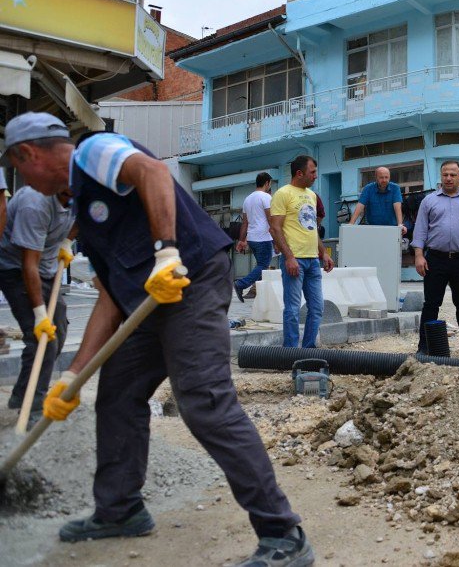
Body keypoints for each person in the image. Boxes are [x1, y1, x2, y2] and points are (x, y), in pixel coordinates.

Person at [1, 112, 312, 565]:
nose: (20, 180)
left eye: (17, 167)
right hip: (147, 300)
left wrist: (167, 250)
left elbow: (151, 171)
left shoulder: (93, 152)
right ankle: (119, 509)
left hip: (191, 278)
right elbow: (109, 296)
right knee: (117, 393)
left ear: (28, 154)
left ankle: (284, 535)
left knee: (203, 399)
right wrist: (71, 375)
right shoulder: (80, 207)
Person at [0, 185, 74, 415]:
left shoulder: (83, 193)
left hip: (48, 267)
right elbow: (28, 264)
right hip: (16, 269)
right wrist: (40, 315)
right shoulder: (35, 203)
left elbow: (82, 219)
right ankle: (33, 407)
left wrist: (67, 242)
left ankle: (21, 394)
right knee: (42, 338)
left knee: (58, 332)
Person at [411, 160, 459, 360]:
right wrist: (419, 255)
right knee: (431, 304)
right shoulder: (429, 201)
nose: (449, 178)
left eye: (453, 174)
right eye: (445, 174)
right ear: (441, 176)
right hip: (435, 259)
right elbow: (420, 231)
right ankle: (424, 347)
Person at [269, 155, 334, 349]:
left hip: (313, 260)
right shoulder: (283, 194)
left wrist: (323, 253)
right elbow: (276, 228)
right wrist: (288, 257)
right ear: (299, 173)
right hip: (294, 260)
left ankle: (307, 350)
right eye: (312, 172)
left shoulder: (312, 196)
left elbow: (311, 228)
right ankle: (290, 351)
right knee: (292, 309)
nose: (315, 176)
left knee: (317, 308)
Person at [233, 172, 273, 302]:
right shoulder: (266, 197)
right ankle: (241, 284)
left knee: (260, 266)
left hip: (252, 238)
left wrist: (241, 240)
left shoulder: (247, 199)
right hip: (263, 237)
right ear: (267, 183)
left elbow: (245, 223)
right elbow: (270, 219)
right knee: (263, 265)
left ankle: (260, 295)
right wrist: (277, 238)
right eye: (270, 184)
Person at [349, 166, 406, 234]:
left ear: (389, 177)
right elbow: (360, 206)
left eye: (386, 177)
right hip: (372, 228)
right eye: (381, 177)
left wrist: (400, 224)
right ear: (376, 178)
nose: (384, 180)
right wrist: (351, 224)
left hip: (392, 228)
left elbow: (397, 206)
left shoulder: (395, 188)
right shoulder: (368, 188)